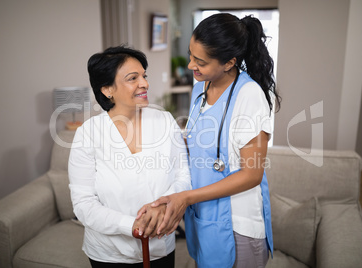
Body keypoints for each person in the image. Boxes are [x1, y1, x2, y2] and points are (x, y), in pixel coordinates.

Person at [138, 13, 281, 268]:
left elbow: (252, 175)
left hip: (238, 223)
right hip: (203, 216)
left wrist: (187, 197)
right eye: (191, 55)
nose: (191, 65)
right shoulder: (200, 87)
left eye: (200, 61)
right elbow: (197, 144)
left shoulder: (249, 96)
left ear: (229, 63)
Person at [68, 45, 191, 267]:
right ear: (107, 89)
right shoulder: (88, 134)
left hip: (160, 247)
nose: (144, 83)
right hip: (108, 254)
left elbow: (183, 174)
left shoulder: (164, 121)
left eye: (144, 76)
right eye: (133, 78)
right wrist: (133, 225)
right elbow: (84, 203)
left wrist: (166, 205)